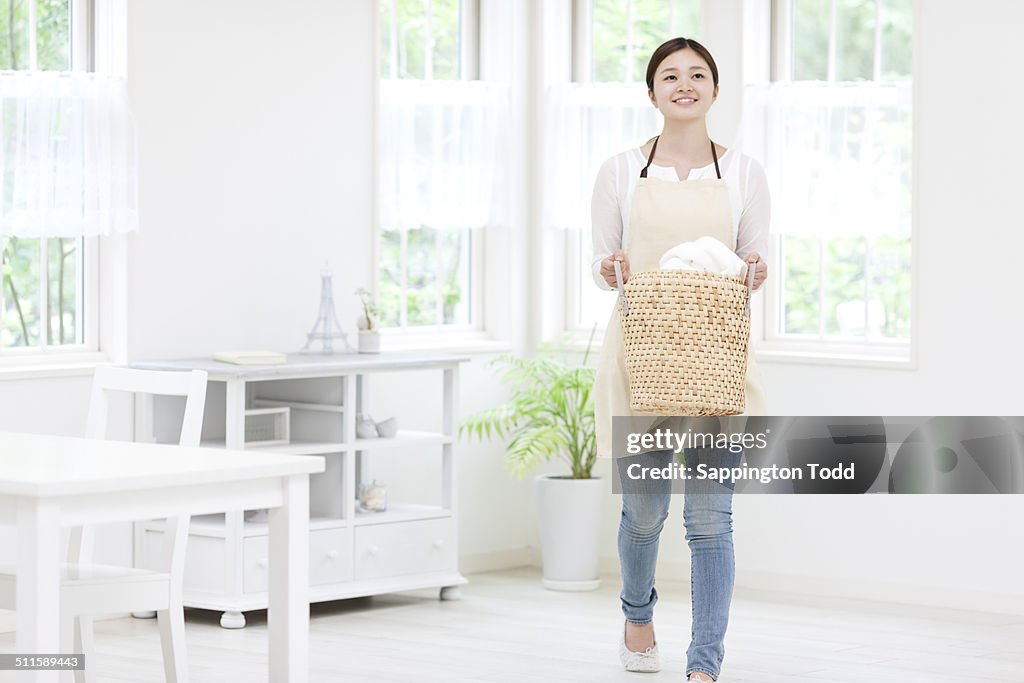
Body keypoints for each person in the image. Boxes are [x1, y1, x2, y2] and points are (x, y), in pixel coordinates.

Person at [590, 37, 770, 682]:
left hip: (716, 363)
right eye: (670, 75)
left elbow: (754, 261)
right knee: (642, 515)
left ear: (716, 91)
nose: (684, 84)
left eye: (698, 75)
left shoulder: (745, 173)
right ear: (651, 92)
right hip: (639, 362)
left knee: (711, 520)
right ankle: (637, 615)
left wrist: (753, 270)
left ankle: (704, 664)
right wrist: (609, 269)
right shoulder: (618, 171)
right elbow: (606, 261)